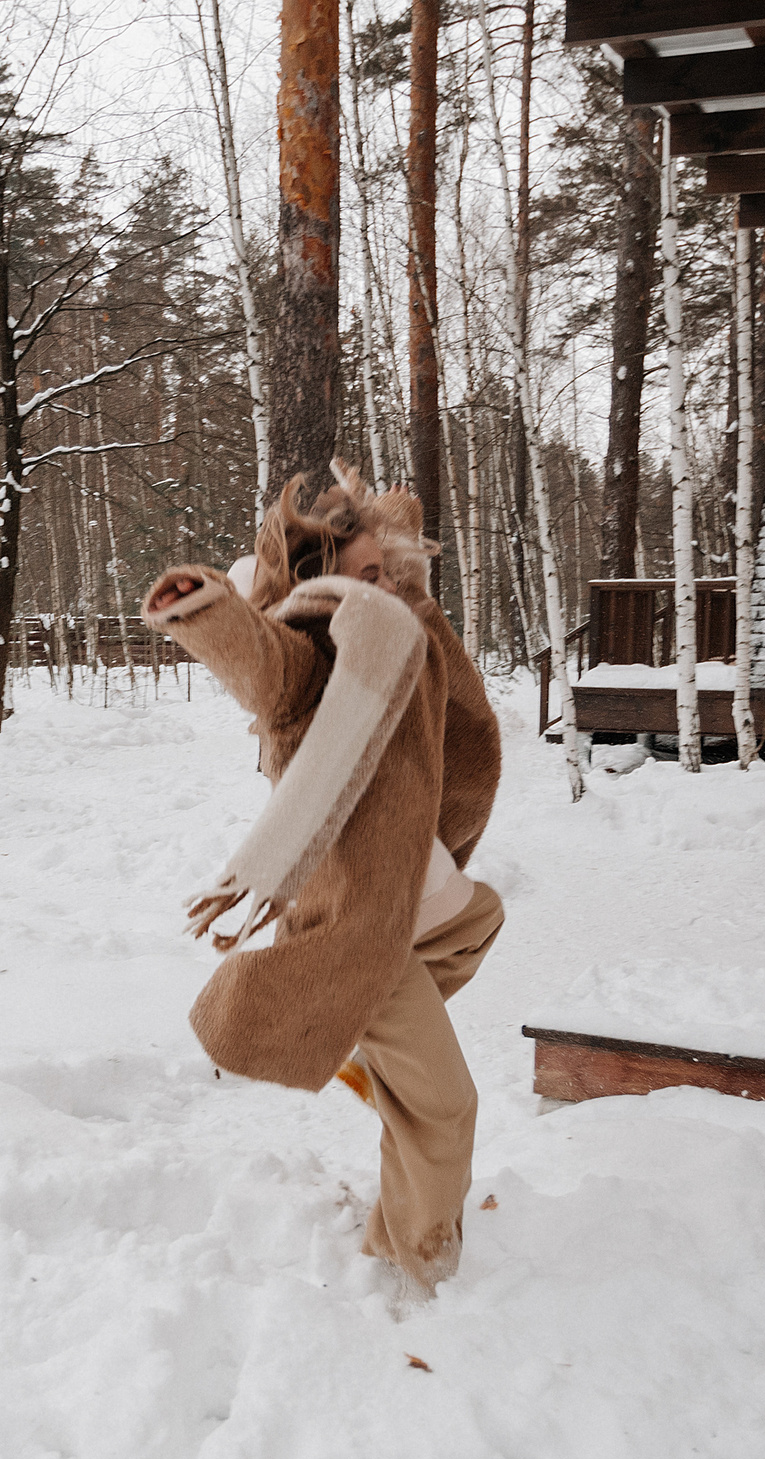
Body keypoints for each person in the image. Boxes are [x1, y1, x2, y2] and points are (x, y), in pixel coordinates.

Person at [140, 466, 503, 1296]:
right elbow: (264, 664)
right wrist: (207, 610)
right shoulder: (316, 656)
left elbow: (446, 670)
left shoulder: (397, 647)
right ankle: (429, 1263)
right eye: (365, 577)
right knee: (444, 1105)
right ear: (324, 583)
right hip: (356, 937)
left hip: (410, 905)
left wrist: (394, 546)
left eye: (387, 573)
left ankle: (382, 1183)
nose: (384, 590)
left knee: (478, 920)